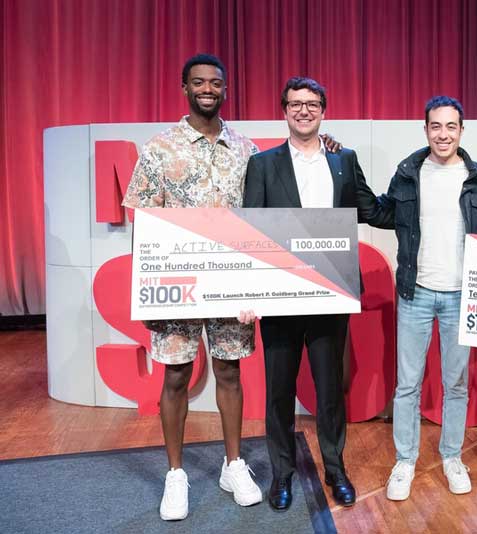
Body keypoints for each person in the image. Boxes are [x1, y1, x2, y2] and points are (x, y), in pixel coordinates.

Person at [240, 76, 391, 511]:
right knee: (279, 392)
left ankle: (335, 470)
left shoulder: (343, 160)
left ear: (324, 110)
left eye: (312, 104)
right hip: (280, 294)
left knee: (329, 392)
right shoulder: (263, 165)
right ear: (284, 110)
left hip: (330, 291)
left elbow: (371, 209)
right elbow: (251, 231)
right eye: (295, 104)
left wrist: (417, 199)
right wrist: (247, 294)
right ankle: (282, 475)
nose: (303, 111)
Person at [122, 54, 262, 521]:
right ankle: (176, 475)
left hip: (229, 286)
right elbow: (142, 220)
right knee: (176, 376)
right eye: (199, 82)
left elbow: (260, 220)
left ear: (225, 89)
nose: (208, 89)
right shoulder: (160, 148)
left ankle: (233, 465)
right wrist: (146, 291)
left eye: (216, 83)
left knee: (229, 374)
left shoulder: (246, 149)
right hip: (176, 285)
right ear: (184, 87)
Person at [381, 96, 477, 501]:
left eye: (451, 126)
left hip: (460, 295)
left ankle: (451, 456)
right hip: (416, 292)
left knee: (456, 384)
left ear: (461, 131)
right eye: (435, 126)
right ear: (426, 129)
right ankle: (405, 460)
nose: (443, 133)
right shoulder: (408, 172)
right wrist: (347, 176)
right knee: (407, 384)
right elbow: (382, 212)